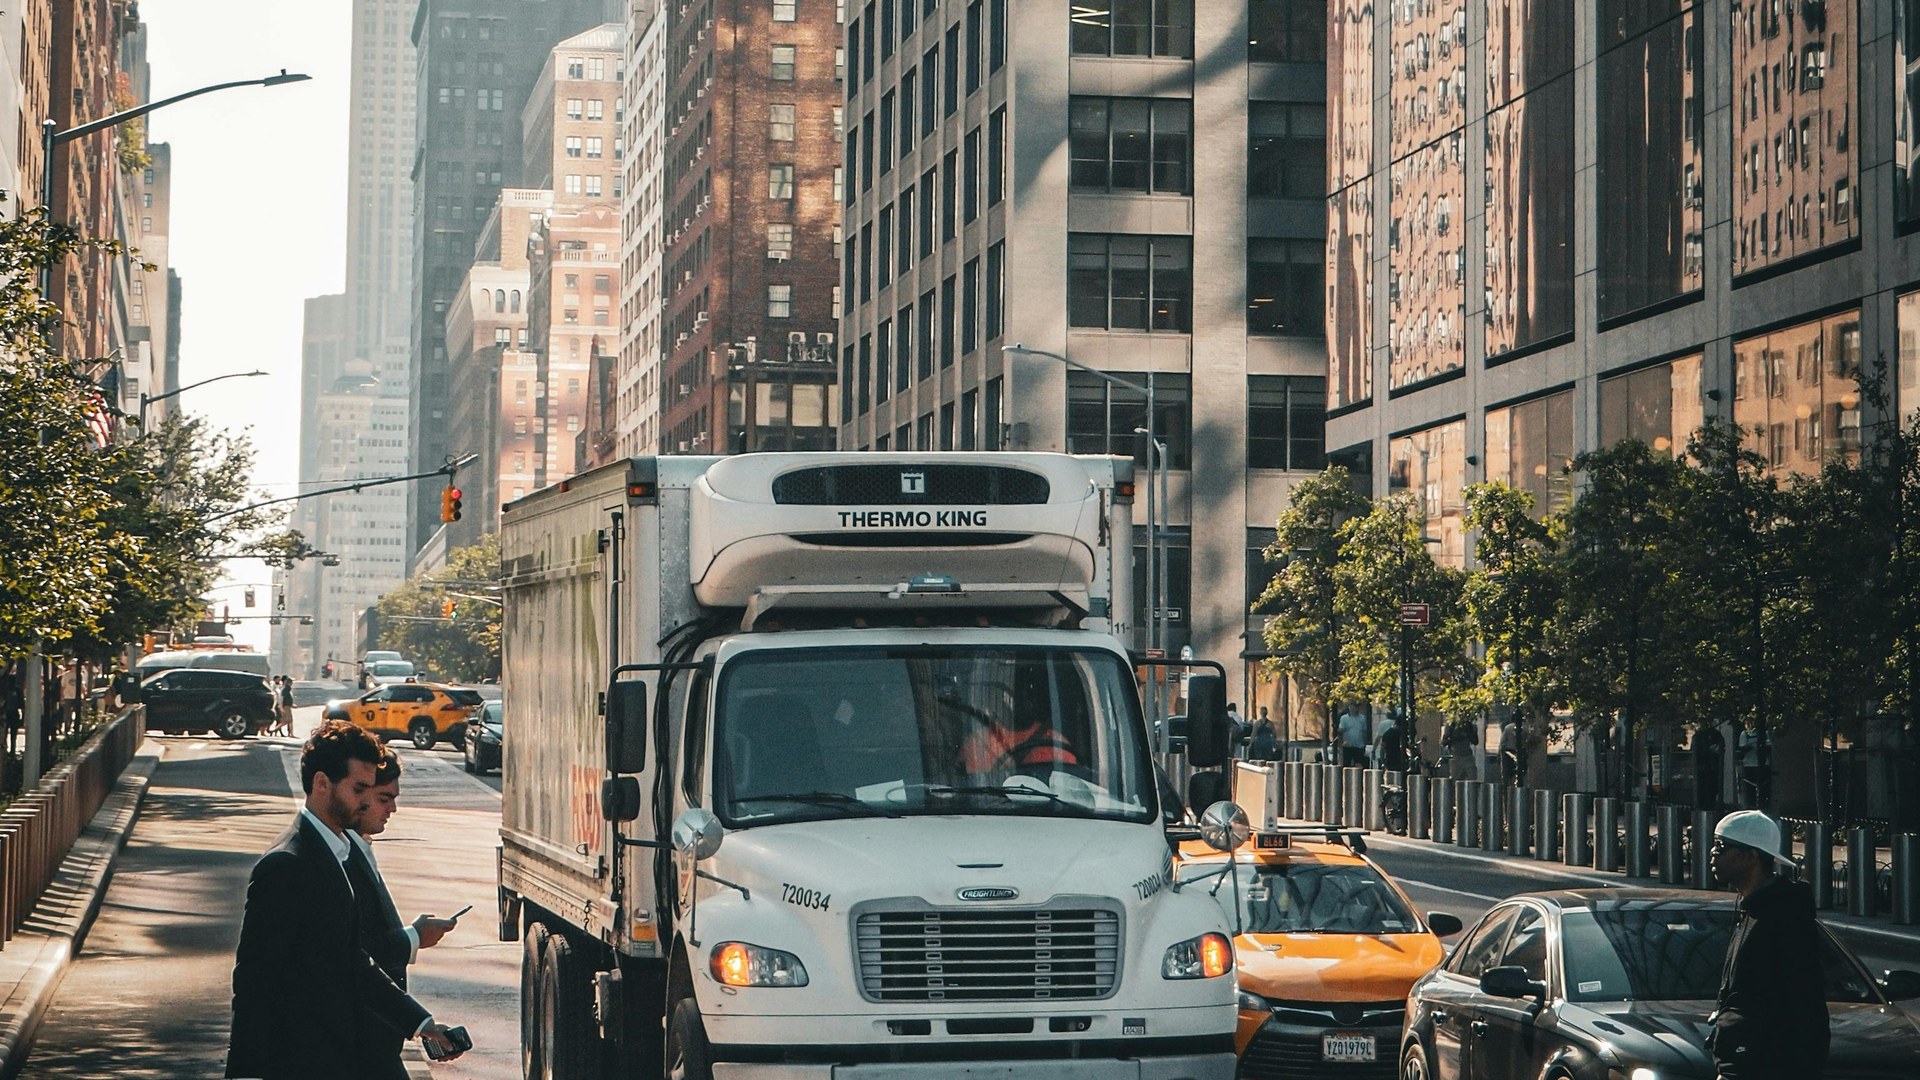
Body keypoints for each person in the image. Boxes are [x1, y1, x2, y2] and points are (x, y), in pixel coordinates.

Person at [226, 721, 464, 1079]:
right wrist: (244, 1074)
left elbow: (352, 962)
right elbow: (254, 980)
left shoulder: (334, 855)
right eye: (358, 789)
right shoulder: (286, 864)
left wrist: (421, 1024)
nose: (366, 800)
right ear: (322, 783)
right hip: (300, 1064)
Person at [348, 753, 461, 1080]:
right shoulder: (341, 857)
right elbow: (355, 954)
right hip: (359, 1047)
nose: (393, 809)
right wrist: (414, 937)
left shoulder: (357, 849)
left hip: (376, 1042)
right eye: (384, 799)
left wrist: (422, 1026)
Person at [1707, 810, 1827, 1080]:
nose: (1713, 853)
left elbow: (1799, 1002)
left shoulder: (1783, 919)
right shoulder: (1752, 911)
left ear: (1751, 856)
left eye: (1721, 846)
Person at [1336, 703, 1370, 767]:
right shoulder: (1344, 718)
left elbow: (1364, 732)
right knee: (1346, 764)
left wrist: (1364, 745)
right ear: (1349, 707)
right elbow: (1340, 731)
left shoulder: (1362, 718)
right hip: (1347, 746)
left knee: (1359, 764)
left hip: (1359, 746)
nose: (1356, 708)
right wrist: (1340, 744)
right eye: (1354, 706)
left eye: (1357, 707)